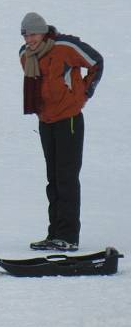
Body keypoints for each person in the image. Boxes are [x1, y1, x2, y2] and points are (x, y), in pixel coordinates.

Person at [20, 13, 102, 252]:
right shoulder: (25, 56)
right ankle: (54, 234)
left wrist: (83, 94)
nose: (29, 39)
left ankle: (68, 236)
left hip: (70, 119)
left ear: (44, 32)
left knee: (66, 178)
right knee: (53, 179)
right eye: (25, 35)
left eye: (33, 34)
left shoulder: (65, 47)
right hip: (46, 121)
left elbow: (96, 62)